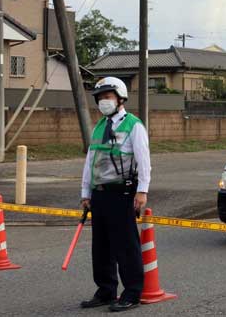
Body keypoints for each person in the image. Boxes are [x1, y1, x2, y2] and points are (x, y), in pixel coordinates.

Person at [80, 77, 151, 312]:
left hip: (122, 193)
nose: (103, 101)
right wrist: (85, 192)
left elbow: (144, 161)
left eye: (107, 96)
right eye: (100, 98)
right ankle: (106, 290)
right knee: (101, 247)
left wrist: (142, 191)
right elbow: (91, 160)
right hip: (99, 194)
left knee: (126, 246)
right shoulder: (100, 126)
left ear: (120, 98)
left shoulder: (133, 125)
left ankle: (132, 293)